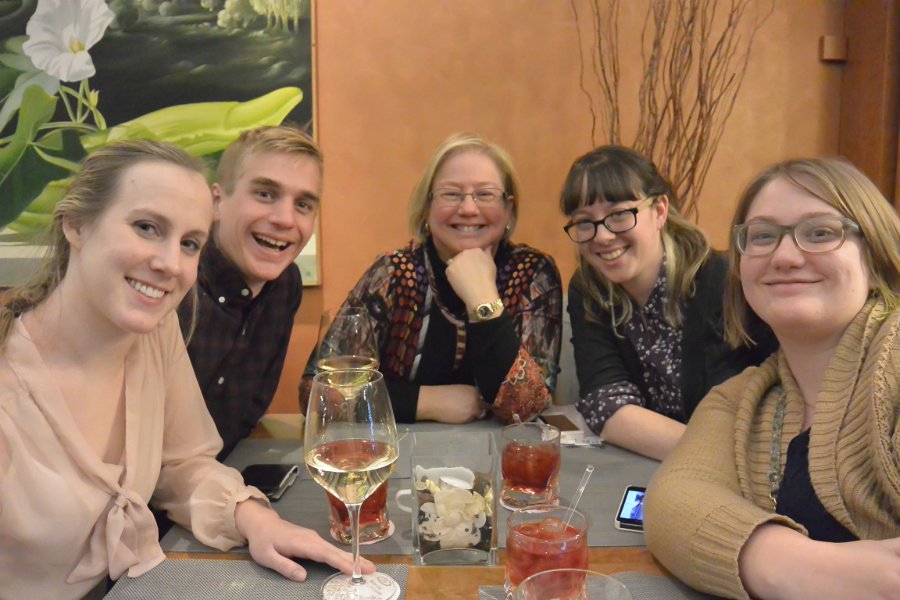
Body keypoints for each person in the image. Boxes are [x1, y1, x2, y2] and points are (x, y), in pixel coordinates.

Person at [0, 141, 371, 600]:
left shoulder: (155, 333)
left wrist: (255, 519)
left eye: (190, 243)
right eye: (146, 227)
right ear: (76, 224)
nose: (170, 264)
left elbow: (181, 463)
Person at [644, 157, 900, 600]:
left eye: (820, 232)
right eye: (762, 237)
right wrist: (796, 566)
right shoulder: (743, 398)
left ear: (875, 254)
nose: (784, 256)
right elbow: (673, 501)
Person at [301, 133, 562, 424]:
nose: (468, 209)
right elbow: (317, 394)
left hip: (503, 449)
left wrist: (483, 298)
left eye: (485, 194)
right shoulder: (394, 273)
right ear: (427, 208)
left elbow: (526, 407)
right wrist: (425, 402)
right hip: (398, 448)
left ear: (509, 209)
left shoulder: (531, 273)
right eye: (451, 194)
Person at [559, 146, 776, 460]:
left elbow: (770, 399)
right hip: (663, 466)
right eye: (584, 222)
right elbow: (607, 406)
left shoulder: (725, 279)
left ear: (659, 211)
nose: (603, 237)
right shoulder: (590, 289)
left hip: (748, 468)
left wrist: (720, 460)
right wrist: (704, 454)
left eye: (619, 215)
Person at [178, 125, 321, 458]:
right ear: (216, 202)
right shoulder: (173, 284)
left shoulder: (285, 286)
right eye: (265, 194)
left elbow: (247, 416)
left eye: (303, 204)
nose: (285, 219)